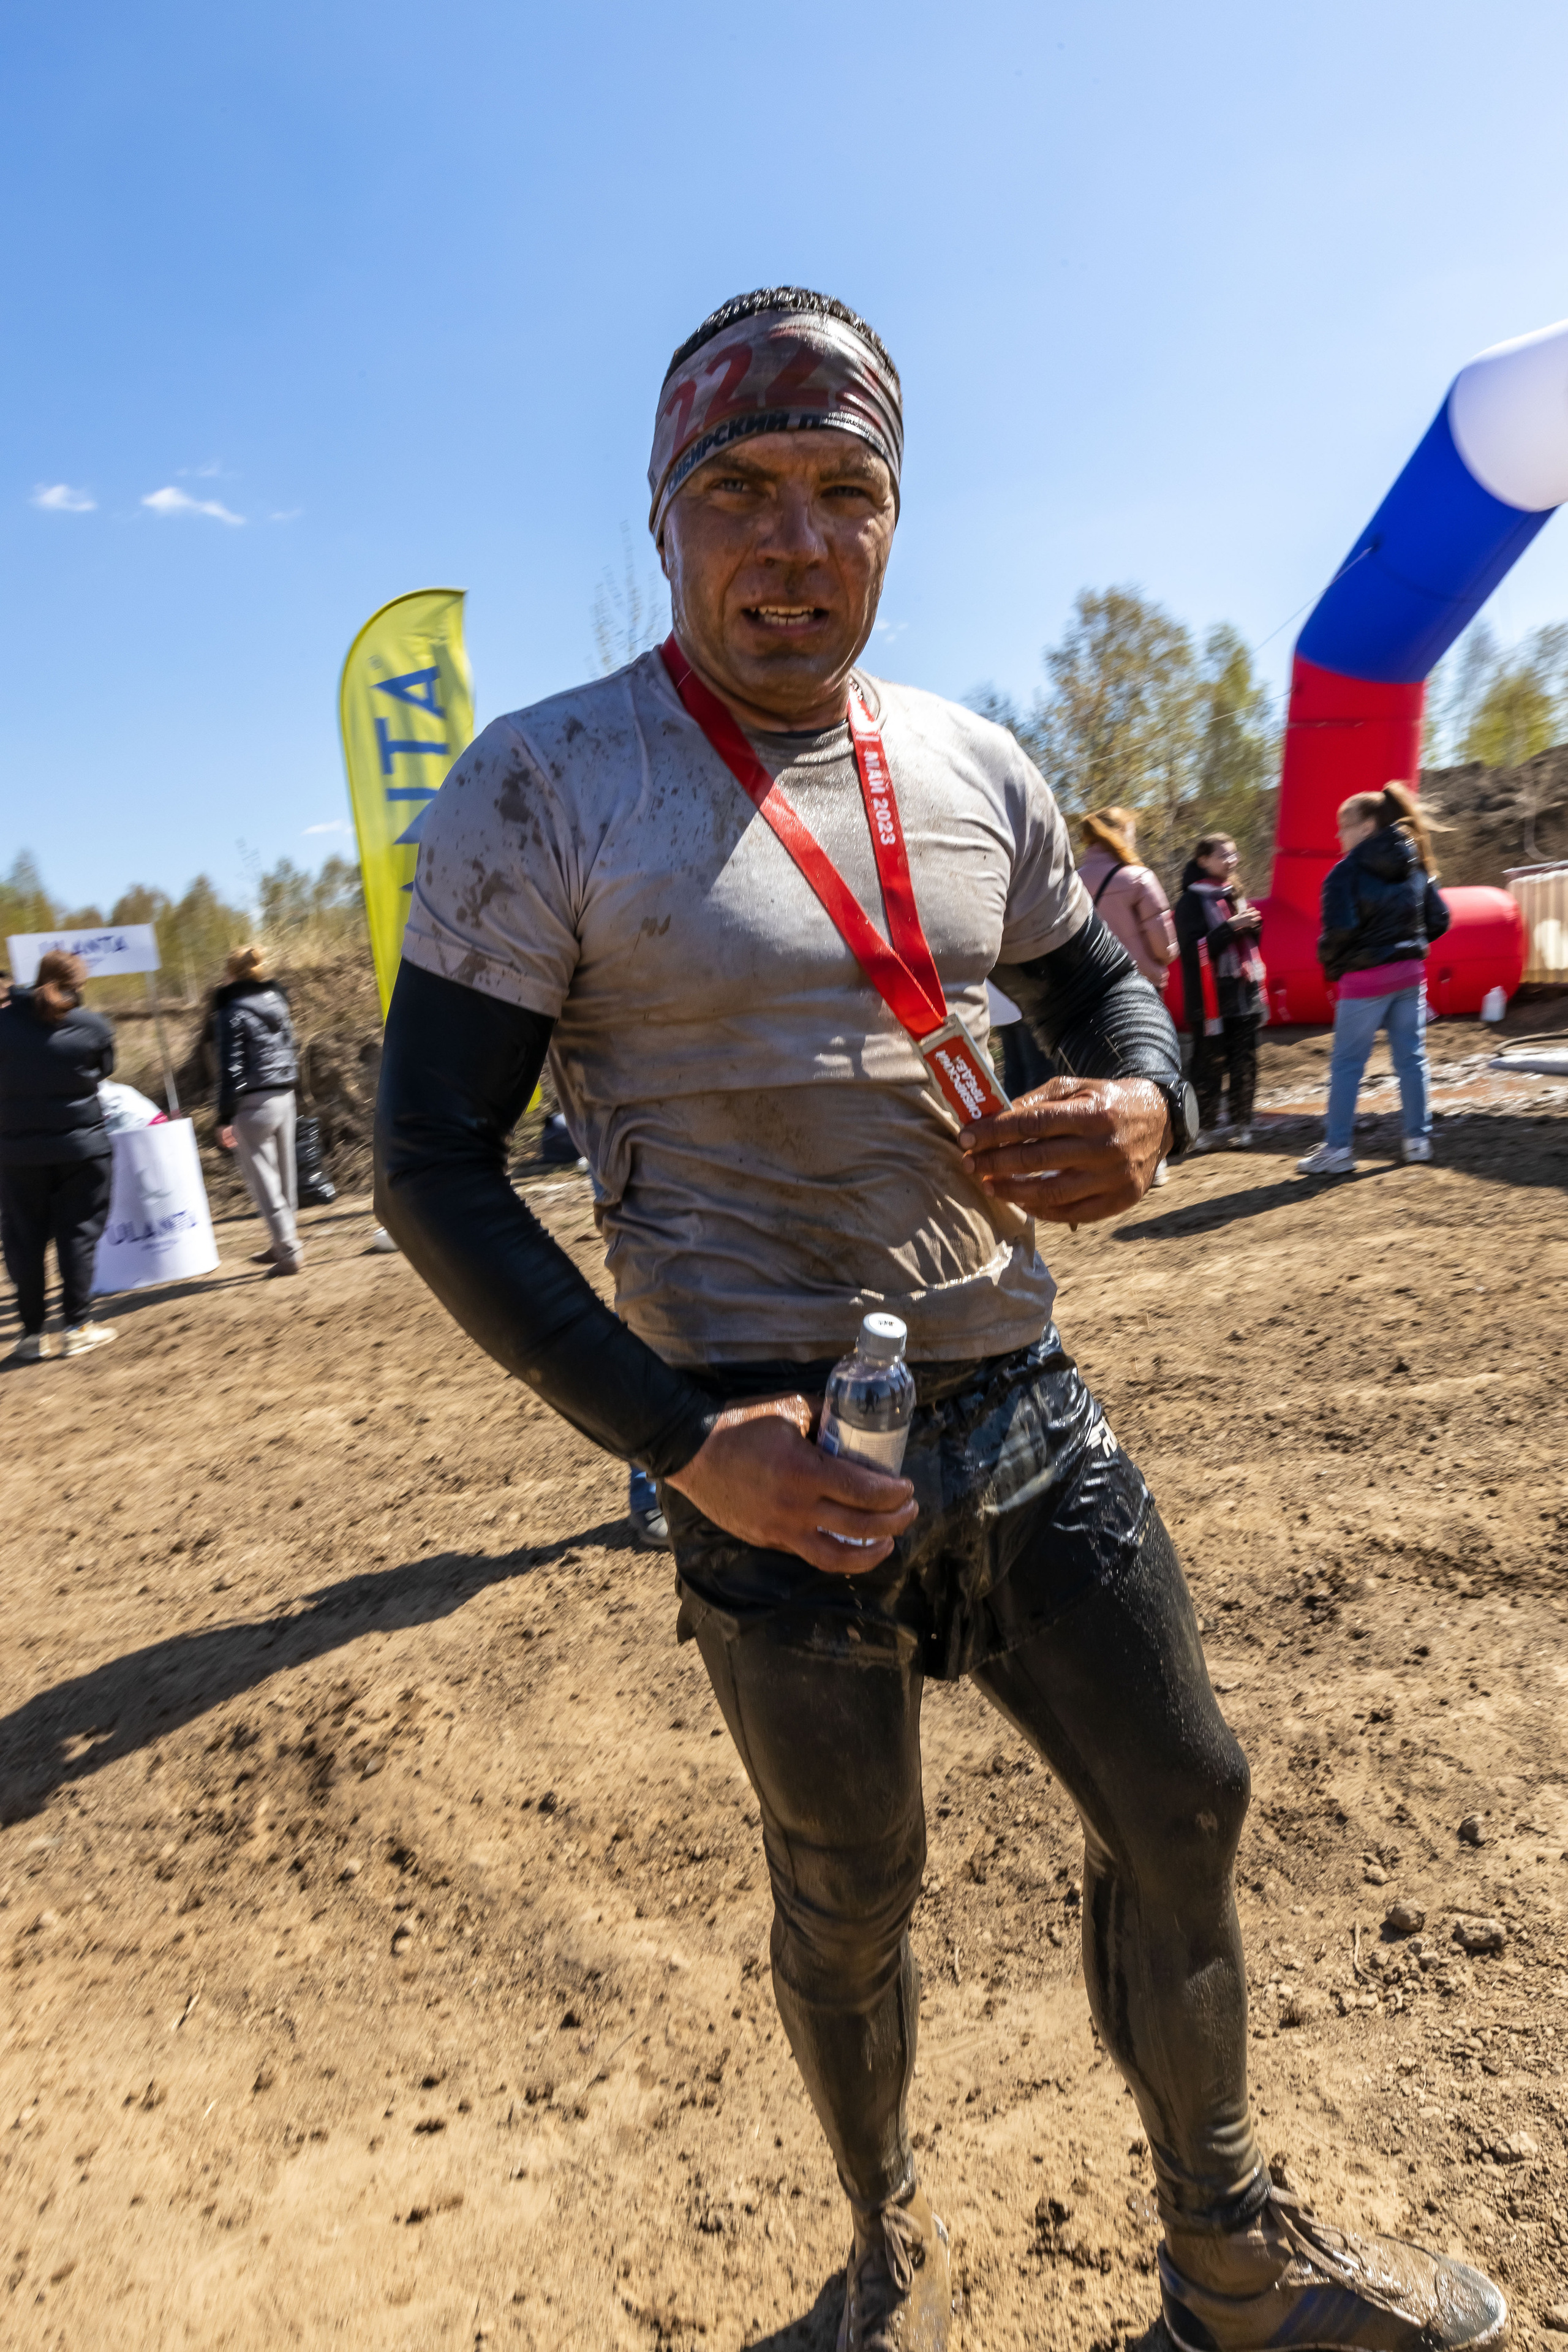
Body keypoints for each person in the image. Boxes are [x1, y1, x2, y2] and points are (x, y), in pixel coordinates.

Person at [374, 287, 1503, 2352]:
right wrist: (683, 1443)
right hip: (765, 1473)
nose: (792, 542)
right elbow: (427, 1164)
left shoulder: (979, 756)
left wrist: (1152, 1099)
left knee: (1188, 1806)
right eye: (742, 491)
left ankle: (1231, 2264)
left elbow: (1104, 991)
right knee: (851, 1892)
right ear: (663, 518)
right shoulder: (545, 788)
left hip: (1026, 1407)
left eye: (843, 492)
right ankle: (879, 2251)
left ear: (896, 521)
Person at [1298, 782, 1450, 1179]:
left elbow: (1340, 931)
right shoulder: (1416, 864)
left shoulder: (1344, 874)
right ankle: (1418, 1141)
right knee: (1411, 1059)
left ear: (1366, 826)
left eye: (1343, 826)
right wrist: (1408, 945)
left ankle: (1338, 1150)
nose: (1338, 835)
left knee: (1348, 1065)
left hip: (1364, 981)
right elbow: (1440, 919)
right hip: (1410, 975)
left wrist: (1331, 966)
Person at [0, 950, 118, 1360]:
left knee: (24, 1242)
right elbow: (104, 1072)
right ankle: (77, 1326)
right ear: (78, 985)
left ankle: (31, 1336)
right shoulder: (95, 1027)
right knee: (78, 1237)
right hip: (82, 1150)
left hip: (17, 1153)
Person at [1079, 807, 1177, 1180]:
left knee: (1101, 1073)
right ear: (1121, 834)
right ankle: (1155, 1158)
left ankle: (1109, 1158)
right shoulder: (1138, 878)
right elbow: (1165, 946)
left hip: (1088, 989)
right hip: (1139, 987)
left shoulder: (1069, 882)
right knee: (1149, 1068)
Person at [213, 946, 303, 1274]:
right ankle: (282, 1242)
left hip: (253, 1103)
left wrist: (224, 1115)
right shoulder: (279, 1001)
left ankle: (289, 1250)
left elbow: (230, 1068)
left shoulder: (230, 1011)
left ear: (232, 974)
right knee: (285, 1176)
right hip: (284, 1094)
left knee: (264, 1181)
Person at [1175, 834, 1266, 1149]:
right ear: (1203, 861)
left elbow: (1251, 946)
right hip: (1209, 1000)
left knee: (1246, 1061)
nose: (1232, 860)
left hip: (1245, 994)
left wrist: (1253, 926)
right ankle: (1205, 1128)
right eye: (1224, 855)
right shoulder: (1189, 902)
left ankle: (1243, 1124)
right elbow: (1191, 951)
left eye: (1234, 854)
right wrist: (1232, 927)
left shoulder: (1234, 892)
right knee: (1209, 1063)